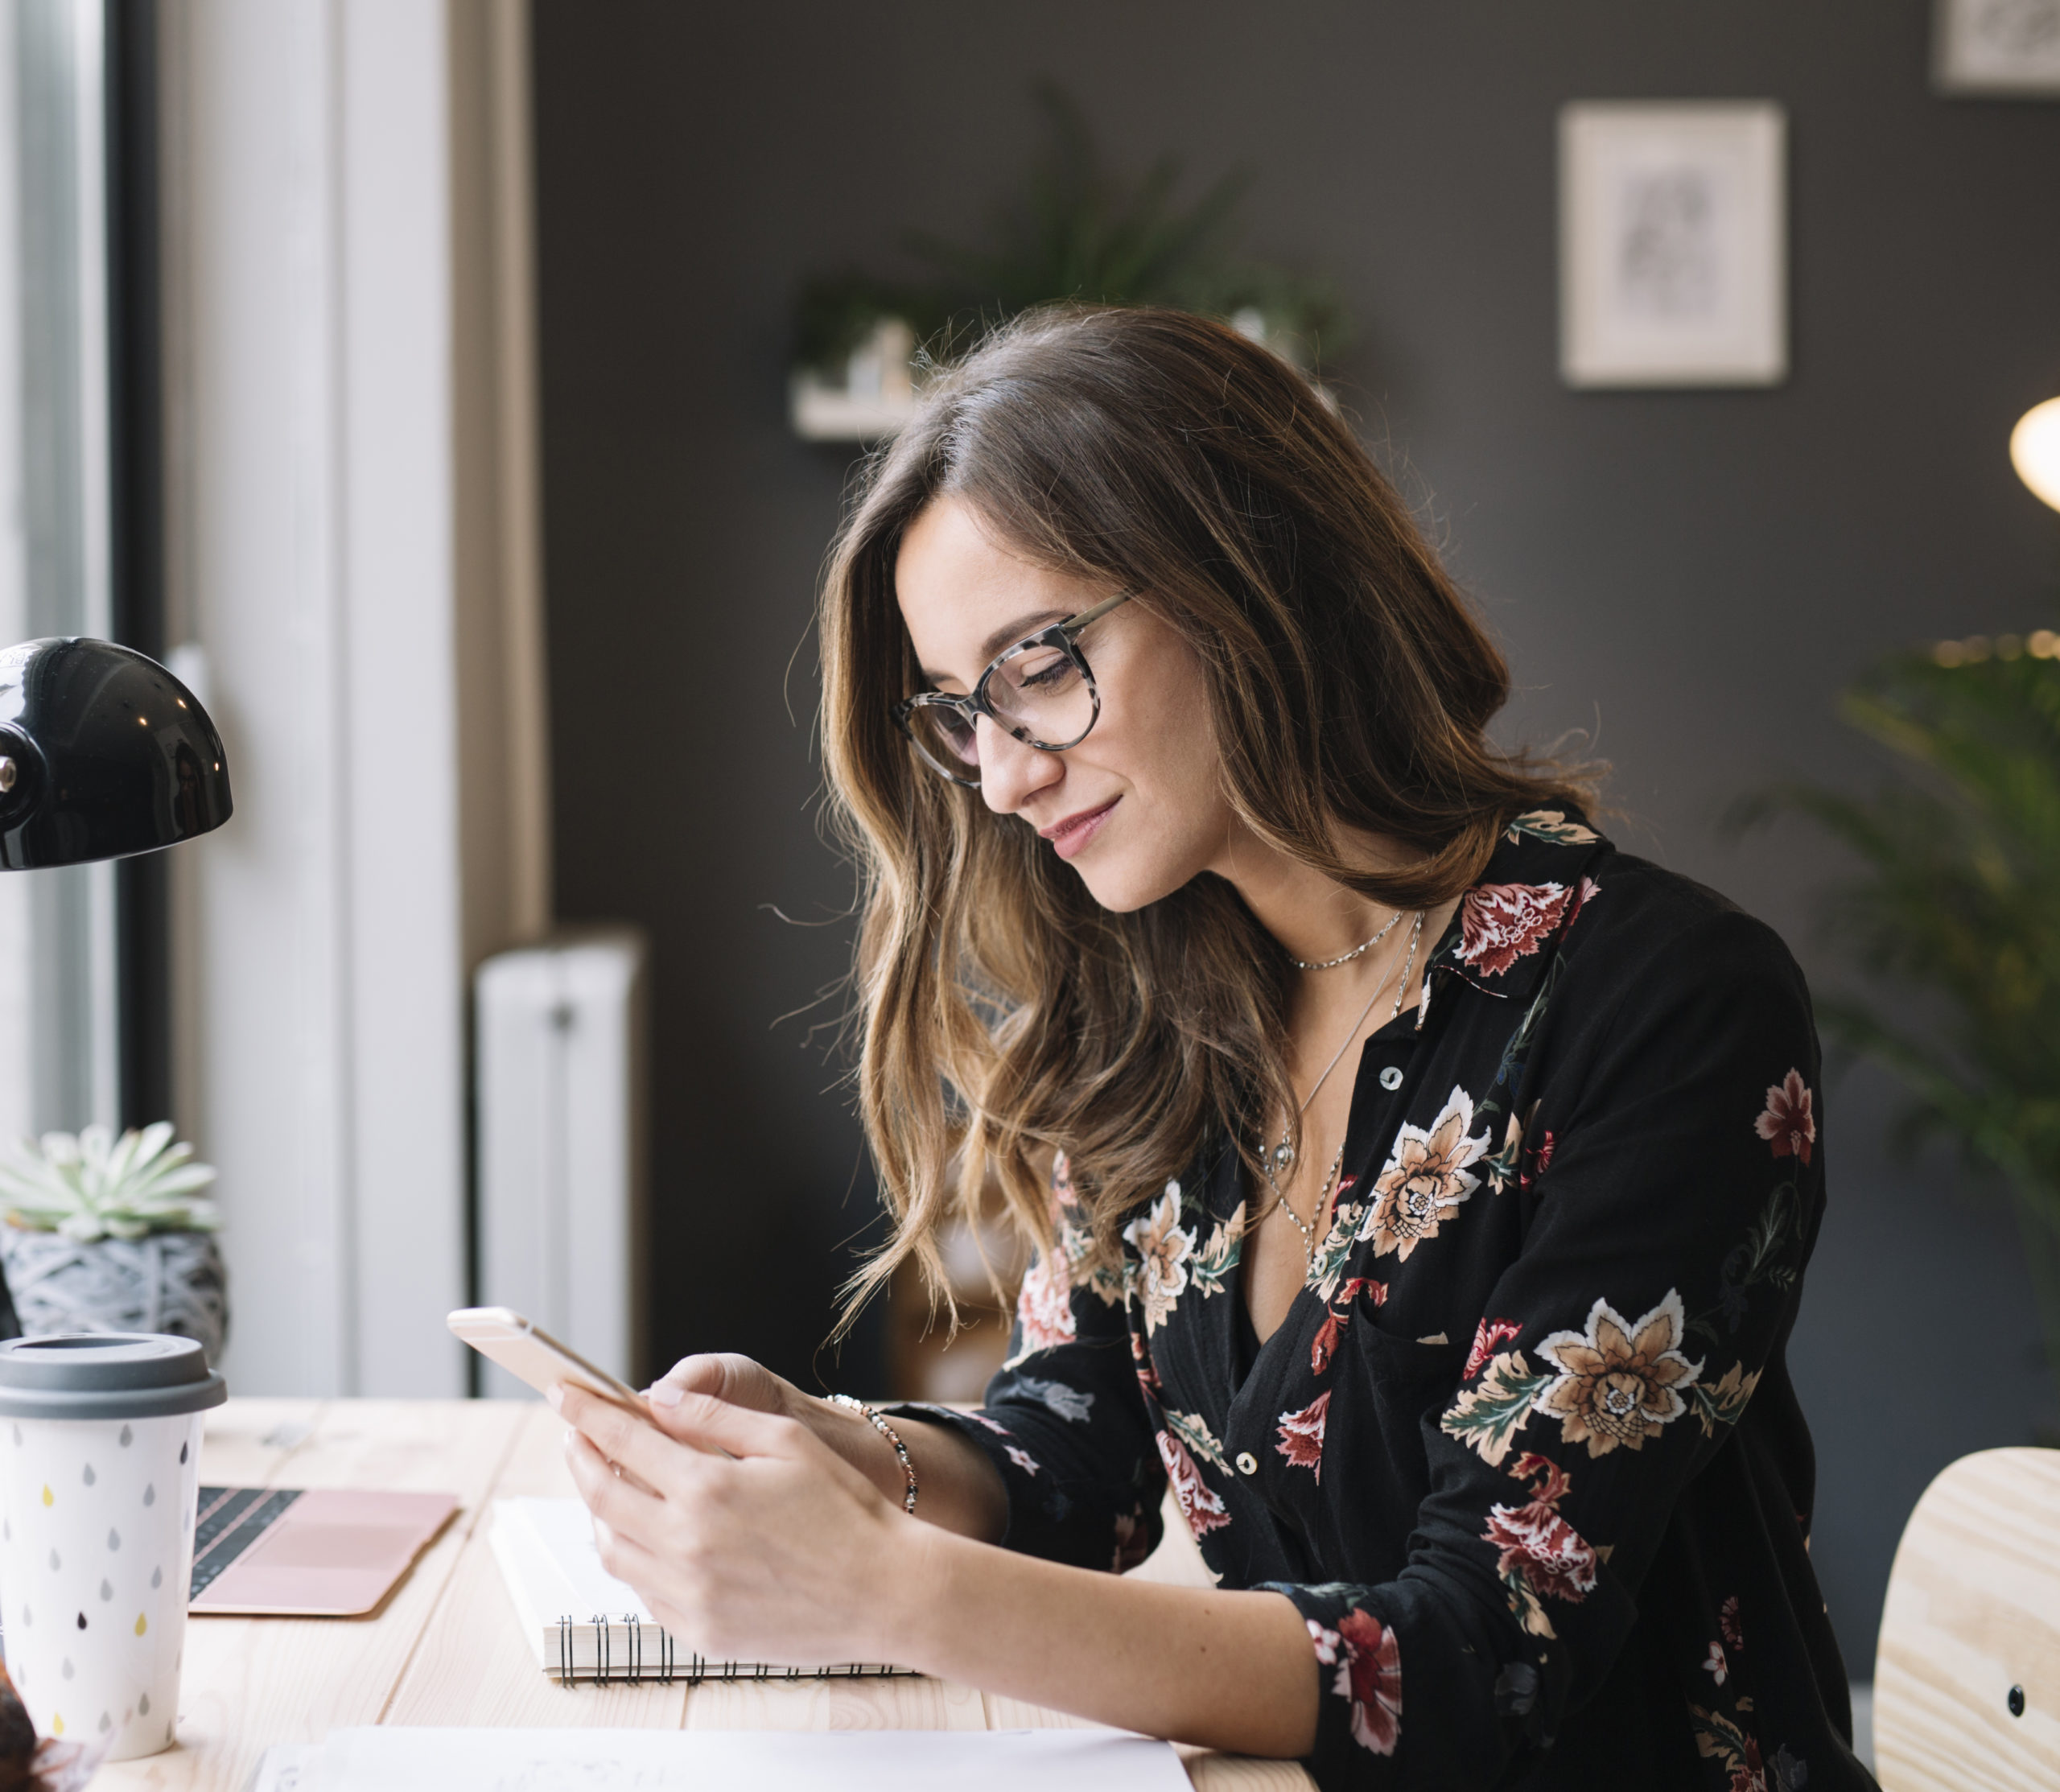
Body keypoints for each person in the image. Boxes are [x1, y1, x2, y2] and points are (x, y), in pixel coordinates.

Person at [554, 307, 1876, 1790]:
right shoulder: (1144, 1017)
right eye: (958, 714)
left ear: (1247, 576)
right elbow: (1078, 1466)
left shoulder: (1667, 1004)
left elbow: (1481, 1660)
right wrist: (857, 1457)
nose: (999, 775)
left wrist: (880, 1584)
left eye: (1037, 667)